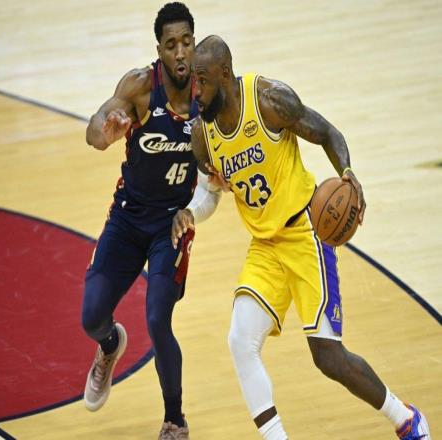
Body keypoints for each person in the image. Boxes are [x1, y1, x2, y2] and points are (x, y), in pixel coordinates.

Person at [171, 35, 431, 440]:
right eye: (193, 82)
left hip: (305, 232)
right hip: (265, 246)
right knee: (240, 340)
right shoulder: (203, 134)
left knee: (328, 357)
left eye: (203, 81)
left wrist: (347, 173)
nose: (196, 91)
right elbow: (210, 192)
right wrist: (190, 211)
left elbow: (327, 132)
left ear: (224, 74)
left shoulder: (269, 100)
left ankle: (407, 420)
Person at [82, 3, 197, 439]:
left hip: (172, 226)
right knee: (91, 317)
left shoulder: (208, 92)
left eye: (186, 42)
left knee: (157, 319)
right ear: (159, 50)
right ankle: (109, 345)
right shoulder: (140, 87)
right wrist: (105, 132)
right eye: (171, 45)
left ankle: (175, 419)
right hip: (128, 218)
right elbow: (94, 129)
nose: (180, 52)